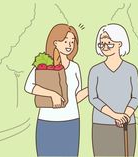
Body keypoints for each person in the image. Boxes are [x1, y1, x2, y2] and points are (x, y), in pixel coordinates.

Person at [25, 24, 88, 157]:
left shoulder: (75, 67)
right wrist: (52, 94)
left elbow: (74, 98)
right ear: (55, 42)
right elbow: (29, 86)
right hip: (47, 121)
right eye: (65, 41)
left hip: (71, 121)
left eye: (72, 42)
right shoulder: (44, 64)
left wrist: (90, 90)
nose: (69, 45)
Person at [88, 23, 138, 156]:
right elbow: (93, 98)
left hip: (126, 124)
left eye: (109, 43)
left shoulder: (131, 69)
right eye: (102, 44)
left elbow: (136, 97)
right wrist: (115, 115)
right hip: (101, 124)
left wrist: (125, 116)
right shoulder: (95, 70)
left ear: (120, 43)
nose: (105, 47)